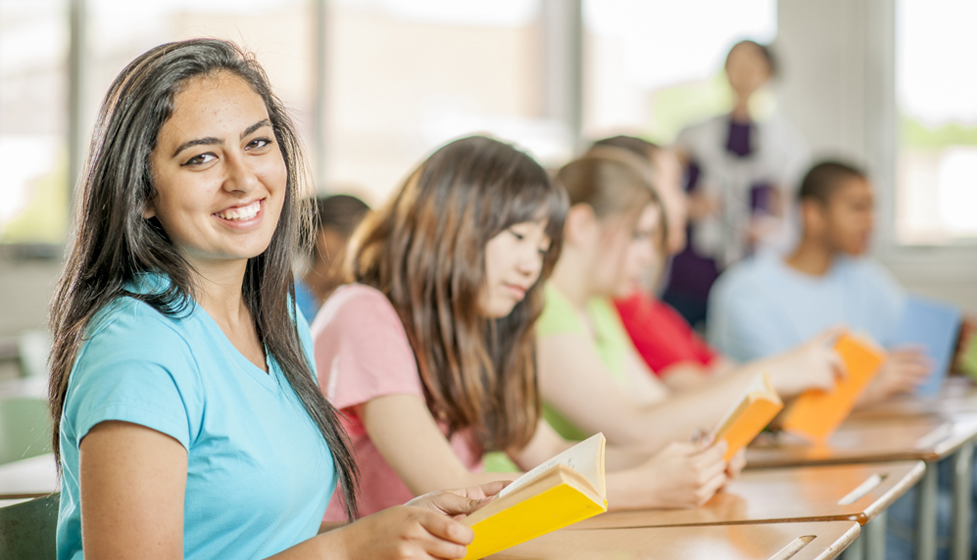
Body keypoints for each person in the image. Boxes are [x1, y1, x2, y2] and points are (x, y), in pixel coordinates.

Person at [46, 39, 501, 560]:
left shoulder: (273, 314)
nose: (244, 179)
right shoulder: (138, 348)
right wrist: (351, 549)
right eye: (201, 158)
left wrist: (403, 525)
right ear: (143, 193)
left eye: (258, 144)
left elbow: (267, 541)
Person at [312, 136, 740, 520]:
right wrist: (645, 486)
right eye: (517, 237)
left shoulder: (476, 327)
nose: (531, 265)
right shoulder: (363, 314)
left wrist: (682, 462)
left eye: (541, 247)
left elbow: (550, 454)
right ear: (450, 223)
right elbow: (454, 494)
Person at [537, 148, 843, 451]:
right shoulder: (544, 311)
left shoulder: (595, 307)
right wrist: (776, 373)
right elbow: (635, 429)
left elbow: (660, 407)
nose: (647, 257)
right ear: (581, 226)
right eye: (638, 235)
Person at [707, 161, 935, 404]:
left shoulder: (865, 275)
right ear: (812, 215)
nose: (871, 223)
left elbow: (913, 341)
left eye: (872, 209)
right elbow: (780, 399)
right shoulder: (745, 292)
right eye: (858, 209)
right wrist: (866, 387)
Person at [665, 39, 810, 329]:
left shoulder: (784, 144)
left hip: (749, 265)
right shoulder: (694, 134)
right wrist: (689, 206)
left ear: (768, 74)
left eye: (753, 65)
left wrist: (769, 229)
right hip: (693, 267)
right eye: (737, 63)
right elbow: (663, 185)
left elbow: (788, 214)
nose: (744, 72)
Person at [594, 135, 732, 391]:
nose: (685, 203)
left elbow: (723, 373)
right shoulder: (619, 305)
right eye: (676, 187)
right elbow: (700, 395)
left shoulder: (647, 305)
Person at [295, 194, 371, 323]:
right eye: (362, 248)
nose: (368, 261)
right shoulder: (286, 303)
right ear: (328, 241)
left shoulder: (347, 305)